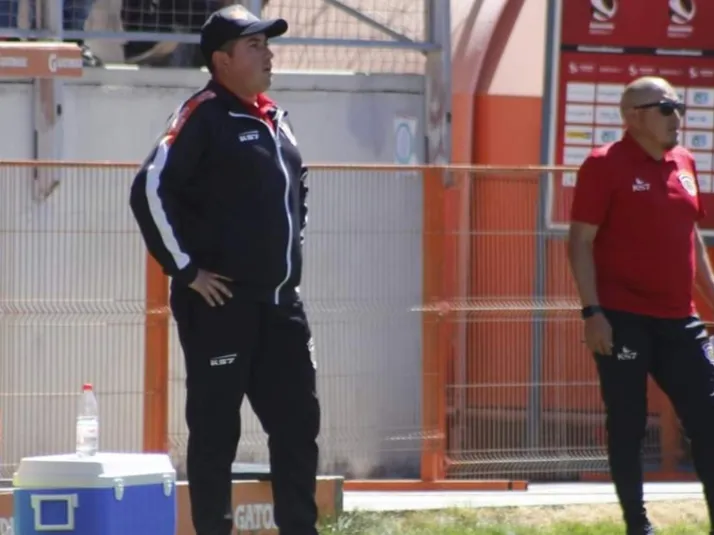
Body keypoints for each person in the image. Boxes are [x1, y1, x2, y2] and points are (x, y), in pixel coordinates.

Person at [128, 5, 320, 535]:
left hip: (281, 306)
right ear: (222, 60)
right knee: (216, 433)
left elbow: (297, 192)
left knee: (298, 427)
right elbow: (149, 188)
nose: (269, 55)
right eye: (255, 46)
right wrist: (186, 270)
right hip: (221, 306)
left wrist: (288, 256)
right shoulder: (203, 115)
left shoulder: (274, 117)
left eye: (267, 44)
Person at [567, 75, 714, 535]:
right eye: (666, 108)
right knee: (628, 423)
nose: (677, 117)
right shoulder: (603, 165)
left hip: (680, 319)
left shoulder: (685, 161)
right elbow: (580, 242)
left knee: (709, 420)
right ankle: (638, 525)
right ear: (633, 117)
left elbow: (691, 238)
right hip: (622, 319)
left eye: (679, 107)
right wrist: (593, 313)